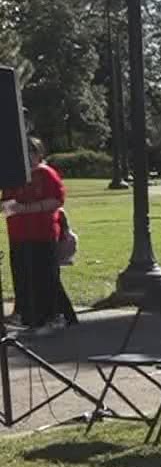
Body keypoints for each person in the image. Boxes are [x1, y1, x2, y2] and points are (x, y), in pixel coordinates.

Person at [3, 137, 77, 337]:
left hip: (42, 232)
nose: (27, 158)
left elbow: (55, 201)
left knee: (46, 276)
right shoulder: (13, 176)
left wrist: (25, 208)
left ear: (38, 154)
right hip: (18, 233)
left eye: (31, 152)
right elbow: (7, 200)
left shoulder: (45, 174)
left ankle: (56, 316)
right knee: (24, 275)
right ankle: (30, 316)